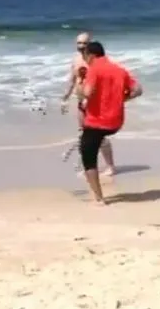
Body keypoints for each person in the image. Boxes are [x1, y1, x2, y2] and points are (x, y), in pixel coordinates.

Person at [79, 41, 142, 205]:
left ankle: (99, 198)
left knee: (87, 155)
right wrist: (121, 100)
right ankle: (108, 169)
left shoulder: (94, 69)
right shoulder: (119, 70)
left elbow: (87, 93)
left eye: (84, 55)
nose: (84, 58)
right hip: (115, 123)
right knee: (97, 140)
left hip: (96, 123)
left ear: (91, 55)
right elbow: (138, 90)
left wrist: (81, 88)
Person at [61, 32, 117, 175]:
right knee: (84, 135)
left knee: (99, 136)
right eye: (79, 43)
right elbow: (72, 79)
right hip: (81, 102)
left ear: (90, 44)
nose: (81, 46)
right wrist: (66, 96)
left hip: (95, 104)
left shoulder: (95, 61)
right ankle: (89, 166)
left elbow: (102, 81)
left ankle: (110, 166)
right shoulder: (75, 60)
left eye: (84, 43)